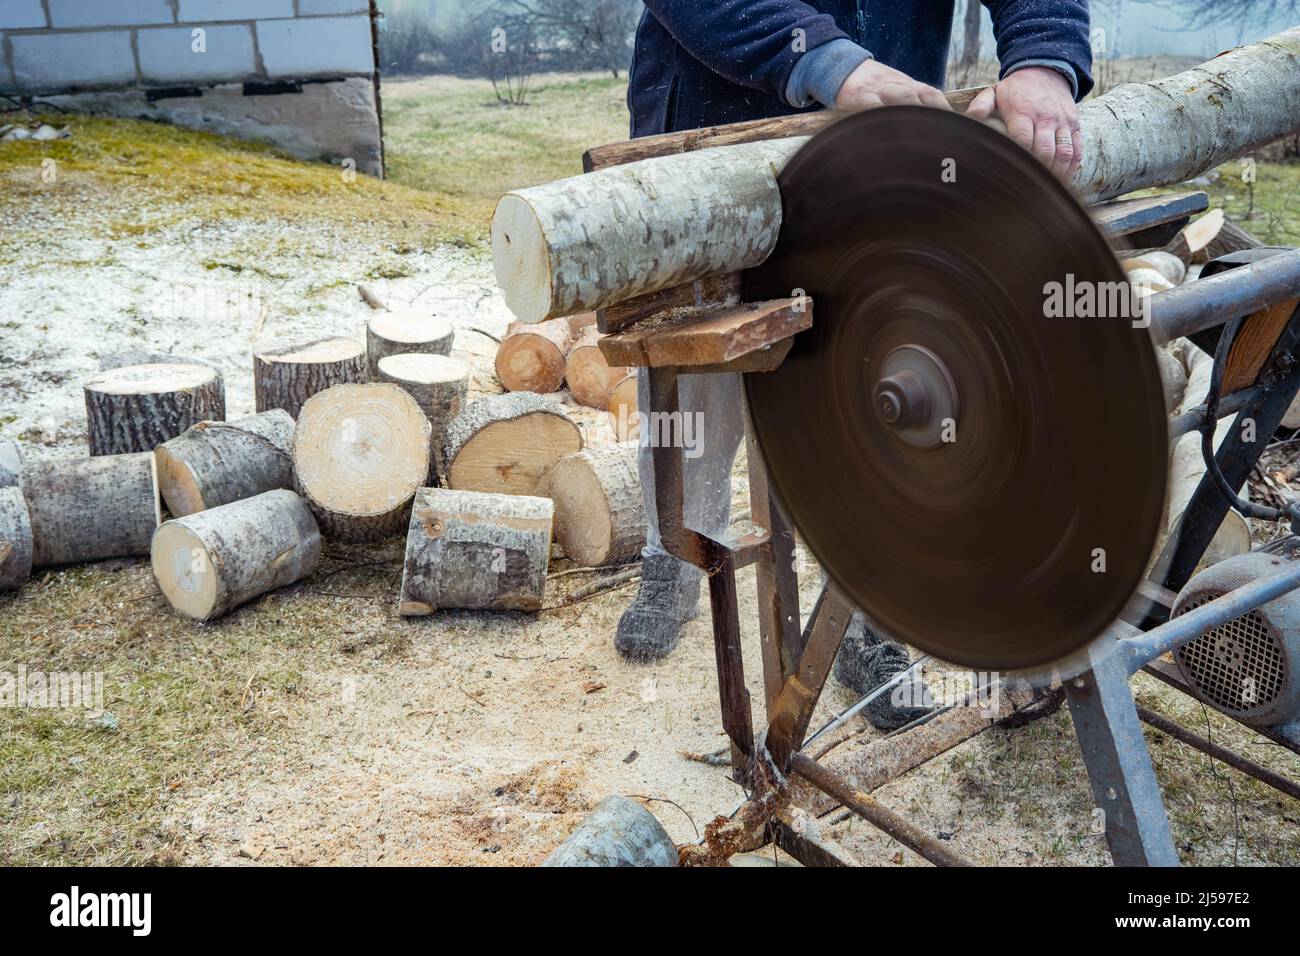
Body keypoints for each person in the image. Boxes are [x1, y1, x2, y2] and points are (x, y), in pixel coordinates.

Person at [614, 1, 1093, 729]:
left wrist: (1042, 57)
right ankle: (674, 555)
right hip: (710, 121)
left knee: (874, 374)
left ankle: (867, 616)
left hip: (878, 136)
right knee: (694, 381)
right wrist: (831, 62)